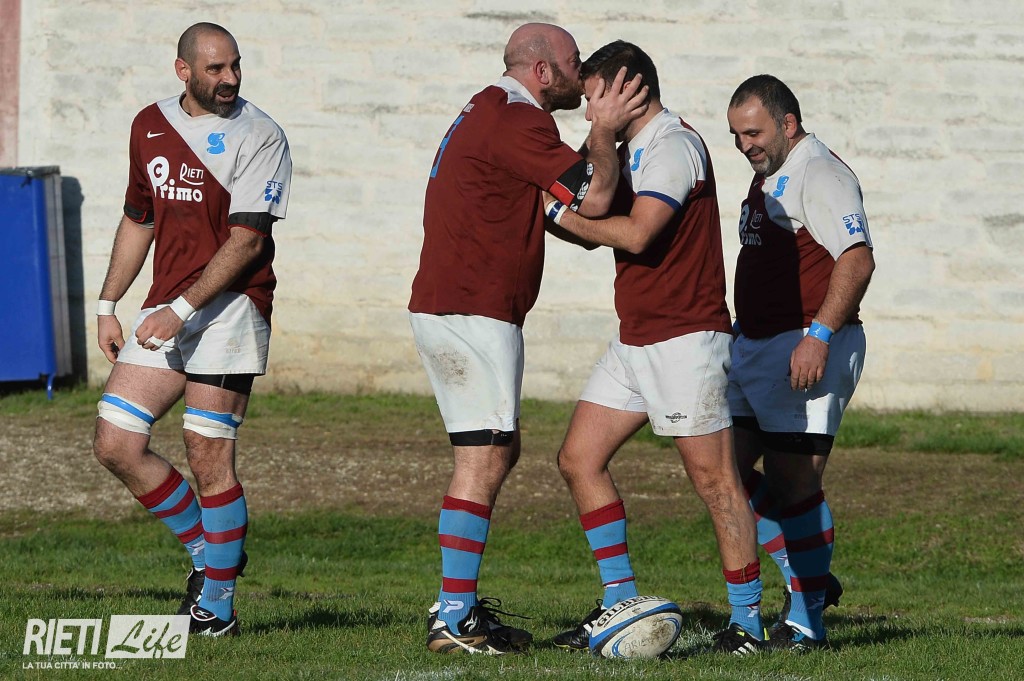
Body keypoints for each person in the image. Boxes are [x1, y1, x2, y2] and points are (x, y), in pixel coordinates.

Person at [408, 23, 649, 655]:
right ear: (542, 71)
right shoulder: (519, 120)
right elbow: (594, 198)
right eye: (573, 63)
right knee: (483, 458)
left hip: (461, 307)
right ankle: (453, 616)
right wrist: (605, 130)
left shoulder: (491, 109)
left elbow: (556, 195)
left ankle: (456, 603)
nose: (582, 74)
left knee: (497, 449)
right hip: (473, 310)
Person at [542, 40, 767, 656]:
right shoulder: (623, 149)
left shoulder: (673, 145)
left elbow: (639, 234)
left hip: (685, 339)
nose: (589, 111)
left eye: (596, 98)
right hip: (637, 336)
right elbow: (591, 220)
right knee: (578, 459)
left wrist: (559, 217)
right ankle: (619, 599)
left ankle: (747, 625)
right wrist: (566, 208)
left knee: (717, 483)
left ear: (631, 89)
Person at [92, 22, 291, 638]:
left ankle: (217, 609)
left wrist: (178, 311)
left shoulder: (261, 135)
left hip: (231, 307)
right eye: (215, 69)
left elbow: (248, 240)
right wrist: (107, 304)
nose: (230, 78)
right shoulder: (149, 125)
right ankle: (211, 556)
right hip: (168, 305)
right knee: (115, 442)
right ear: (183, 71)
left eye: (236, 65)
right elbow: (139, 218)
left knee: (207, 455)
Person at [725, 74, 875, 651]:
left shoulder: (821, 173)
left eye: (753, 133)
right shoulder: (772, 172)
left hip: (804, 345)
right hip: (754, 345)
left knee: (794, 482)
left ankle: (808, 617)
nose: (744, 145)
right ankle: (808, 572)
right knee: (722, 468)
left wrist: (818, 336)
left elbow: (856, 260)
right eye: (737, 135)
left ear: (788, 123)